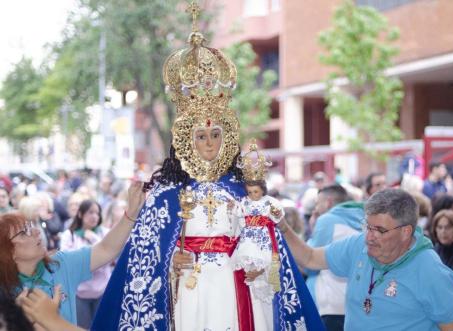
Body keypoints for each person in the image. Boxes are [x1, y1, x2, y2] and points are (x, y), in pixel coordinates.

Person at [92, 14, 323, 331]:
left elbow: (266, 244)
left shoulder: (245, 191)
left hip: (238, 290)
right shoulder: (164, 197)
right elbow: (143, 258)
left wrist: (259, 265)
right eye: (201, 136)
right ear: (186, 140)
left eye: (216, 135)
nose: (210, 143)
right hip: (188, 290)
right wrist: (170, 262)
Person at [278, 188, 453, 330]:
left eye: (380, 230)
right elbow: (310, 258)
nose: (370, 236)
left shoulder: (430, 271)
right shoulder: (357, 245)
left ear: (405, 232)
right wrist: (283, 227)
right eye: (368, 226)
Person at [0, 181, 144, 326]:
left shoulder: (60, 264)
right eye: (24, 233)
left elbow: (106, 249)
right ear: (9, 252)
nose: (37, 232)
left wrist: (131, 213)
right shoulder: (5, 294)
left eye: (31, 227)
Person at [230, 143, 285, 329]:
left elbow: (278, 215)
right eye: (249, 192)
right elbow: (238, 217)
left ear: (263, 190)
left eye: (256, 192)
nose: (252, 195)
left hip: (262, 238)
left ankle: (260, 273)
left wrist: (275, 213)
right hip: (248, 238)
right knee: (246, 261)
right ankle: (251, 273)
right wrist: (234, 210)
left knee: (265, 262)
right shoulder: (244, 202)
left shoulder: (269, 202)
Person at [306, 185, 362, 331]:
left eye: (318, 203)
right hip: (357, 303)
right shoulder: (364, 219)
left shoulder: (327, 220)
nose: (316, 209)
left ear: (329, 202)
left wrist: (313, 228)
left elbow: (309, 262)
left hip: (331, 303)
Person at [59, 200, 112, 329]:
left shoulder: (104, 233)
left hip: (102, 290)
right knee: (83, 327)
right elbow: (68, 261)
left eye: (97, 213)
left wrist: (94, 238)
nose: (94, 216)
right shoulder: (69, 235)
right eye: (90, 212)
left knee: (103, 326)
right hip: (79, 292)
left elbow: (110, 255)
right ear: (81, 214)